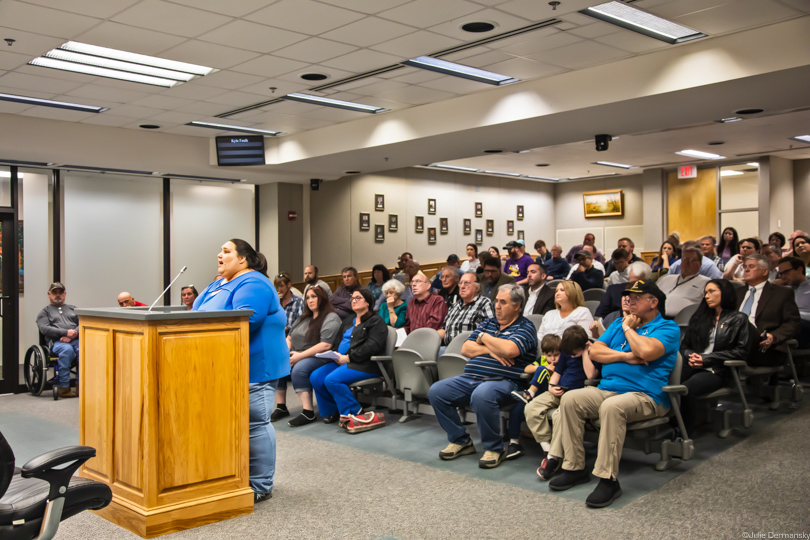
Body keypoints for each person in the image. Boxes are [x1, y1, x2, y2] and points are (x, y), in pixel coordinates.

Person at [549, 280, 679, 508]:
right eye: (629, 296)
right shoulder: (618, 323)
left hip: (646, 396)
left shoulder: (668, 328)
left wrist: (629, 329)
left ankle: (608, 480)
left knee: (612, 407)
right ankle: (574, 467)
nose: (630, 299)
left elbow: (647, 350)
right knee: (570, 399)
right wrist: (627, 356)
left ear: (653, 302)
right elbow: (596, 351)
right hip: (608, 389)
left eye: (637, 297)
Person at [193, 239, 289, 503]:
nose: (219, 255)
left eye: (226, 251)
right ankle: (231, 475)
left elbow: (246, 318)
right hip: (222, 365)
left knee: (254, 422)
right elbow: (194, 312)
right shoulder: (217, 283)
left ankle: (260, 485)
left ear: (243, 259)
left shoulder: (253, 282)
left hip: (255, 365)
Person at [427, 284, 538, 469]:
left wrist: (484, 339)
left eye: (503, 302)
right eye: (497, 301)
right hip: (472, 377)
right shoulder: (489, 323)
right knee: (436, 391)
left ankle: (494, 448)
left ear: (517, 306)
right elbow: (466, 348)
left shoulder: (525, 327)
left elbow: (509, 350)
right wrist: (492, 349)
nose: (497, 306)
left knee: (482, 395)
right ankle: (461, 441)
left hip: (506, 381)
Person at [527, 326, 599, 479]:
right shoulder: (567, 351)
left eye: (575, 353)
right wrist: (551, 387)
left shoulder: (593, 350)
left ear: (584, 345)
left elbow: (591, 375)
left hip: (576, 396)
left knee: (561, 416)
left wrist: (586, 352)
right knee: (531, 407)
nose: (572, 356)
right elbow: (557, 373)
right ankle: (548, 449)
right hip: (559, 390)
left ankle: (553, 458)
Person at [310, 287, 388, 429]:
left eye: (358, 298)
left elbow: (372, 346)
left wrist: (349, 357)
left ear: (368, 302)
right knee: (315, 376)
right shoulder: (349, 319)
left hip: (364, 364)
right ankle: (332, 411)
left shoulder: (376, 321)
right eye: (352, 298)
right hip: (341, 361)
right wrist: (334, 354)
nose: (354, 301)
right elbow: (337, 341)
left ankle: (354, 411)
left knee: (331, 380)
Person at [679, 280, 751, 429]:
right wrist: (691, 356)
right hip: (693, 364)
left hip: (718, 370)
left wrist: (706, 359)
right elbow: (685, 346)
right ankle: (670, 424)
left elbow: (741, 351)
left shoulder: (739, 319)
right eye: (705, 292)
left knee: (687, 388)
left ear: (724, 293)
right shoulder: (700, 317)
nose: (707, 296)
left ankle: (684, 432)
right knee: (667, 382)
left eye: (712, 291)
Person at [272, 287, 342, 427]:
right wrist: (284, 354)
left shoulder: (331, 317)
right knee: (278, 362)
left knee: (299, 369)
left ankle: (308, 412)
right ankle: (281, 406)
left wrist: (299, 357)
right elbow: (290, 338)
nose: (310, 300)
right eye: (308, 297)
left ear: (322, 298)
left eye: (314, 297)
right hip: (299, 354)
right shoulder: (304, 318)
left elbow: (325, 345)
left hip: (320, 356)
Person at [736, 254, 801, 366]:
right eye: (745, 266)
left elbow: (792, 322)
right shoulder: (736, 293)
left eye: (751, 267)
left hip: (763, 346)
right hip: (734, 342)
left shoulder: (781, 293)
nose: (746, 269)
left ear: (765, 271)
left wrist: (774, 336)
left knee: (742, 322)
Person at [36, 282, 80, 399]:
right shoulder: (44, 312)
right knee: (67, 351)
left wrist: (73, 334)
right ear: (49, 294)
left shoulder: (74, 309)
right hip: (56, 342)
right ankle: (64, 387)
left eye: (61, 292)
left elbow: (84, 323)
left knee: (84, 350)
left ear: (65, 294)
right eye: (54, 292)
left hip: (75, 340)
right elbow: (44, 328)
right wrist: (65, 333)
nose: (58, 295)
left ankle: (82, 386)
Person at [440, 272, 494, 348]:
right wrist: (430, 338)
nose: (462, 286)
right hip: (447, 348)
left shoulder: (484, 303)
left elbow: (490, 330)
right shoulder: (454, 306)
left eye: (466, 283)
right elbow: (444, 329)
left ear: (477, 287)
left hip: (470, 350)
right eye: (460, 283)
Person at [656, 245, 711, 317]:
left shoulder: (706, 283)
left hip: (685, 322)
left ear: (700, 263)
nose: (687, 262)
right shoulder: (666, 279)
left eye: (691, 259)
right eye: (684, 259)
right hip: (656, 319)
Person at [776, 257, 810, 348]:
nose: (783, 277)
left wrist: (794, 315)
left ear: (799, 270)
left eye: (786, 272)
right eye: (781, 274)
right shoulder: (784, 290)